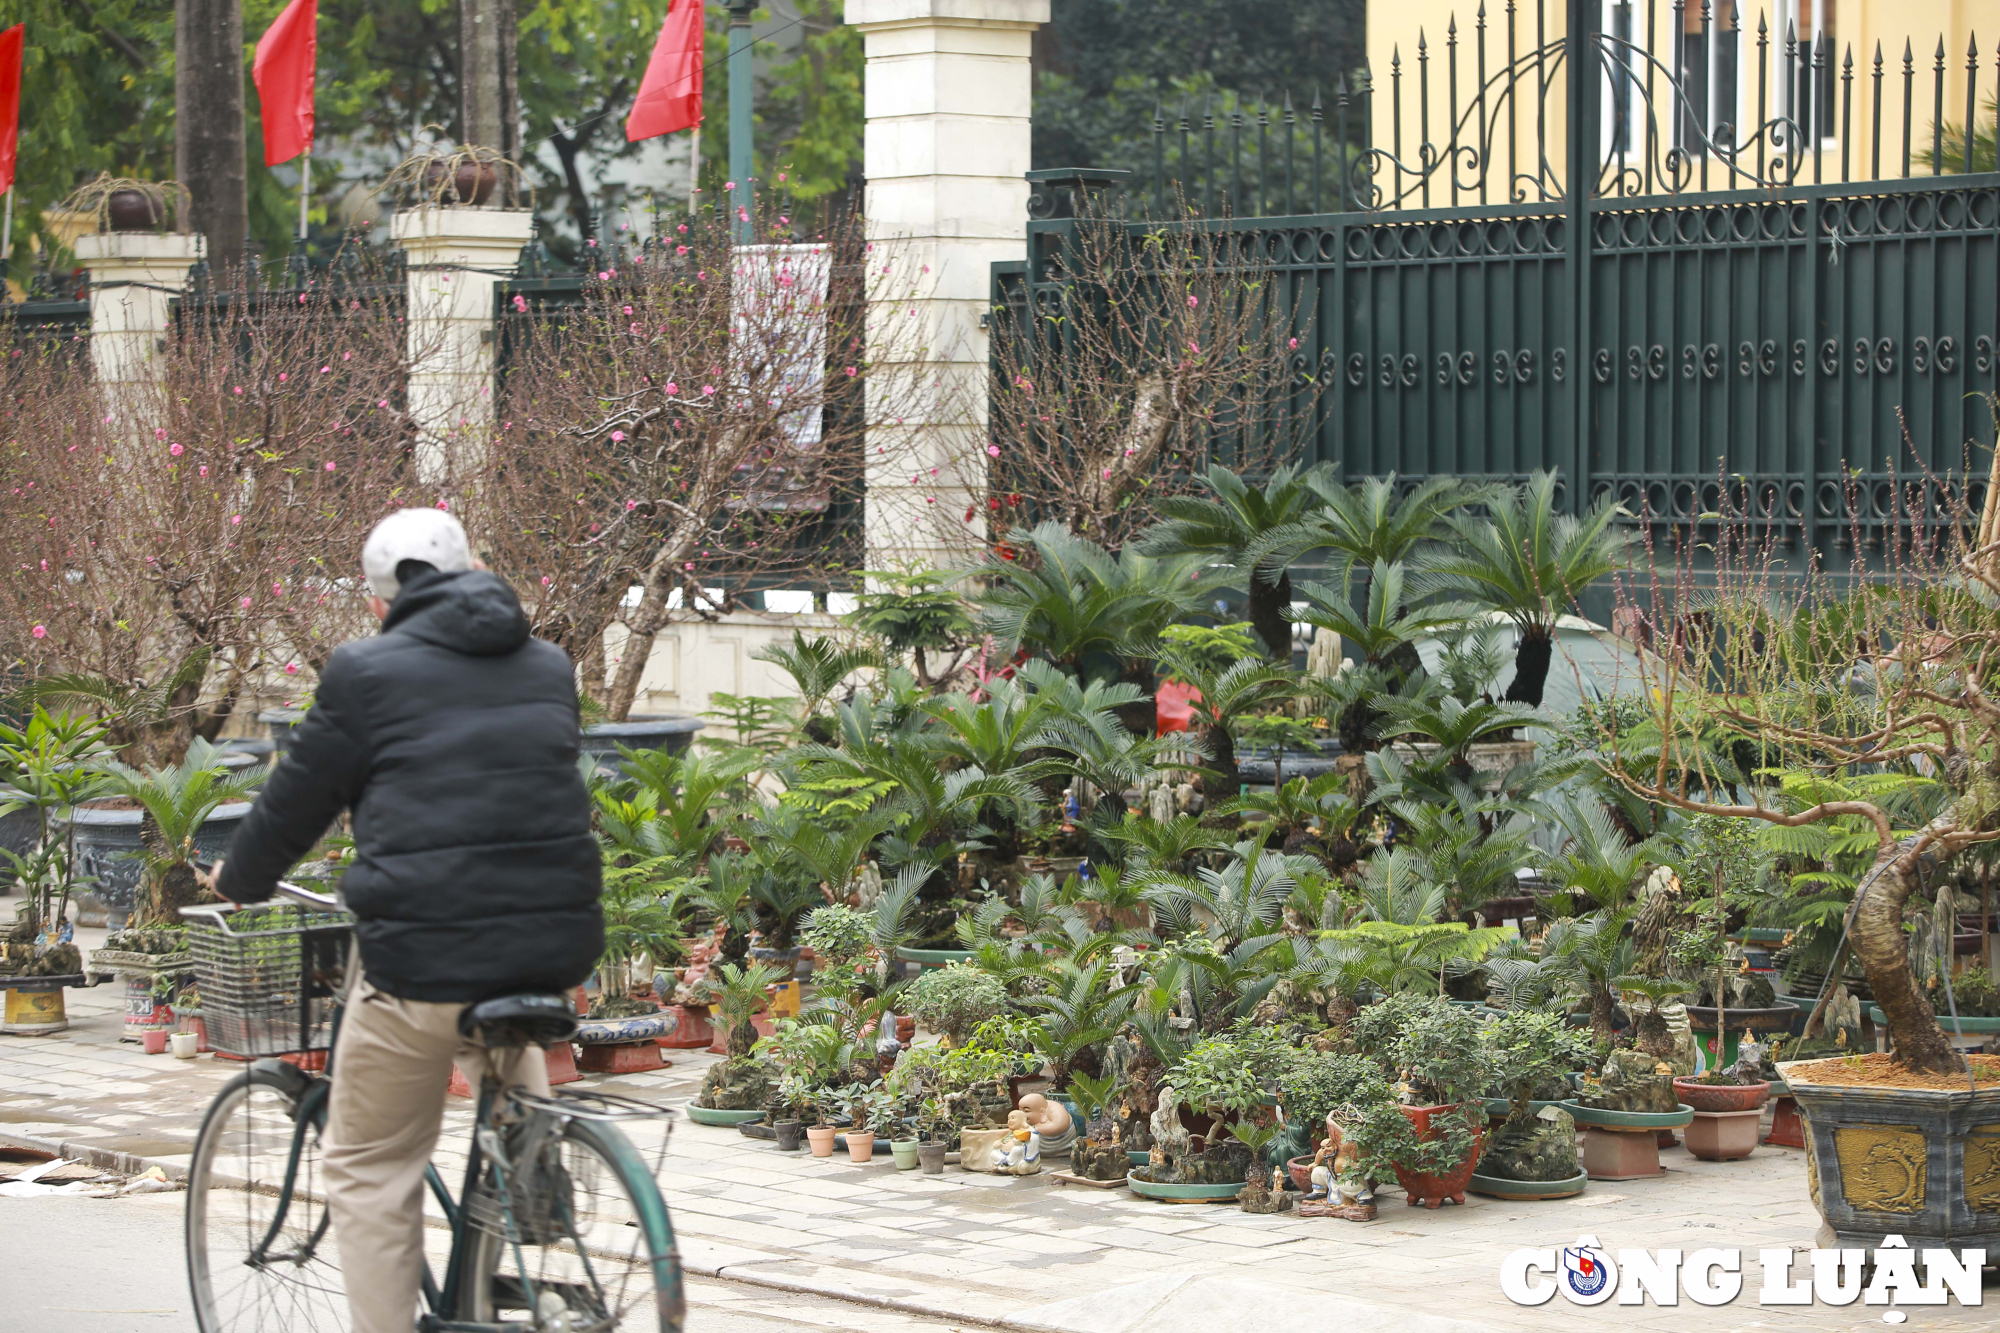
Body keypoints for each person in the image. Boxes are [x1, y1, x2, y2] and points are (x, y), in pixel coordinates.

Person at [205, 507, 603, 1333]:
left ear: (381, 601)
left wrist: (239, 877)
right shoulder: (548, 664)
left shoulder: (364, 671)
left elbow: (294, 802)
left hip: (422, 955)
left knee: (370, 1162)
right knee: (499, 1031)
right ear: (469, 570)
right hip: (550, 947)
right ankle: (531, 1179)